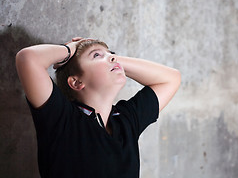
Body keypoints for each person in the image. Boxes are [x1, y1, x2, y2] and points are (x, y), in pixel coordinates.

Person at [15, 37, 181, 178]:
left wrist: (112, 59)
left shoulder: (125, 120)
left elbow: (171, 78)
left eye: (112, 54)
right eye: (96, 55)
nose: (112, 58)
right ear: (77, 82)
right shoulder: (63, 119)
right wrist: (70, 50)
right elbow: (28, 59)